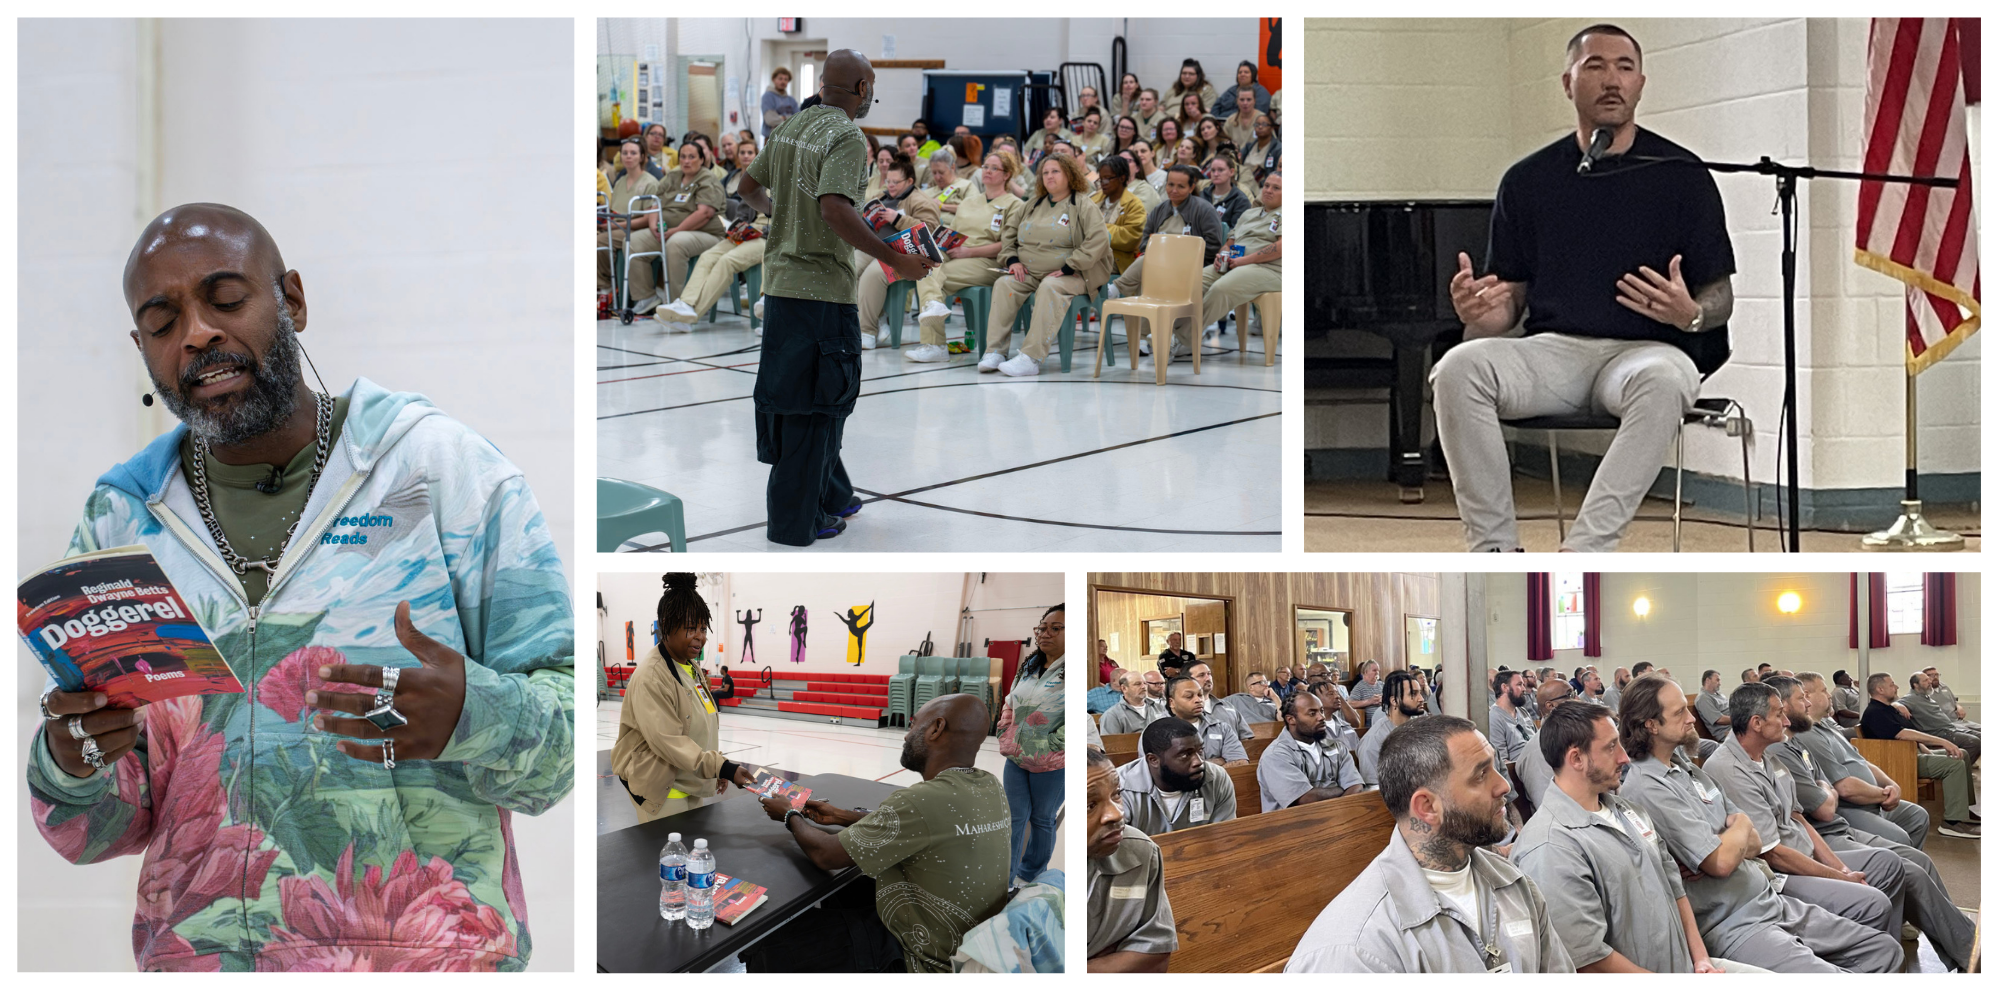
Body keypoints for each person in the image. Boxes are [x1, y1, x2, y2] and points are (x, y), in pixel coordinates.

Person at [29, 204, 574, 970]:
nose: (197, 334)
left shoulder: (441, 473)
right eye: (162, 320)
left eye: (225, 299)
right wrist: (71, 760)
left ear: (292, 300)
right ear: (143, 349)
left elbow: (567, 745)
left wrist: (472, 712)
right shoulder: (122, 521)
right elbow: (103, 830)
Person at [1432, 25, 1736, 552]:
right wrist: (1478, 313)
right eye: (1595, 66)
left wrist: (1688, 313)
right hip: (1555, 352)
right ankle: (1495, 550)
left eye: (1623, 67)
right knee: (1457, 368)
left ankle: (1584, 552)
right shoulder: (1527, 181)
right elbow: (1507, 306)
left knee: (1663, 382)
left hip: (1648, 353)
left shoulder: (1682, 174)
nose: (1611, 80)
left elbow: (1719, 297)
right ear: (1568, 83)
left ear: (1640, 83)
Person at [737, 49, 934, 546]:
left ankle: (836, 495)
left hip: (780, 287)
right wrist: (895, 258)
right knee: (820, 406)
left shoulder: (790, 128)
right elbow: (835, 211)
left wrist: (781, 214)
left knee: (795, 401)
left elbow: (746, 187)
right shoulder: (848, 136)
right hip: (822, 294)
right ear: (863, 88)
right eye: (872, 86)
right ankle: (795, 522)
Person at [1614, 675, 1902, 972]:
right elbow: (1722, 861)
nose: (1691, 718)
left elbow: (1753, 840)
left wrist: (1733, 830)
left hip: (1764, 896)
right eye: (1679, 713)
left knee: (1884, 950)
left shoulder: (1686, 768)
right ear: (1651, 724)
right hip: (1733, 921)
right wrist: (1736, 830)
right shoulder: (1648, 786)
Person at [1287, 716, 1571, 972]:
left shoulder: (1514, 884)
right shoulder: (1357, 951)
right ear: (1427, 807)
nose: (1503, 787)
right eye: (1481, 775)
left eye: (1495, 768)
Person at [755, 693, 1009, 972]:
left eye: (914, 725)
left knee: (770, 942)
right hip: (963, 943)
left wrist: (789, 814)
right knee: (846, 892)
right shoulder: (990, 786)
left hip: (922, 956)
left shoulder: (922, 800)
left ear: (936, 728)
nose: (906, 735)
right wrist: (842, 815)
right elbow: (929, 829)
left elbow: (825, 855)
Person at [1764, 677, 1976, 969]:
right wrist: (1838, 868)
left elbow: (1825, 790)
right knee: (1904, 866)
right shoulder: (1778, 750)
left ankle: (1960, 941)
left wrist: (1885, 786)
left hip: (1829, 827)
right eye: (1804, 698)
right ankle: (1966, 949)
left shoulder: (1798, 740)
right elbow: (1824, 805)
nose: (1812, 702)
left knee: (1915, 860)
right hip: (1826, 830)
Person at [1511, 702, 1739, 973]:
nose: (1624, 757)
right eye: (1610, 747)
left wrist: (1701, 958)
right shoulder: (1551, 845)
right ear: (1576, 759)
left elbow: (1674, 886)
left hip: (1686, 966)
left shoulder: (1627, 810)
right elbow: (1587, 959)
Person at [1701, 683, 1905, 939]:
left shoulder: (1767, 757)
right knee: (1873, 903)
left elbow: (1799, 819)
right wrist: (1840, 878)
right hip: (1780, 872)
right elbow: (1773, 855)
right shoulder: (1729, 769)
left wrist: (1841, 869)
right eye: (1779, 714)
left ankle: (1875, 945)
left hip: (1802, 853)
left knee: (1889, 865)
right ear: (1756, 723)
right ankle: (1870, 952)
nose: (1787, 721)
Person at [613, 574, 761, 820]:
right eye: (690, 628)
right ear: (667, 626)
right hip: (664, 791)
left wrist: (716, 770)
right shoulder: (652, 675)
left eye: (703, 628)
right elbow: (669, 740)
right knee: (671, 856)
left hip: (692, 781)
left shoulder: (689, 666)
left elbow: (698, 723)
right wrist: (722, 767)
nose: (700, 636)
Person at [981, 152, 1111, 377]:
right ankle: (995, 351)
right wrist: (1012, 260)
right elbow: (1009, 235)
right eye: (1045, 173)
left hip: (1075, 274)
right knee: (1004, 284)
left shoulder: (1083, 204)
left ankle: (1031, 358)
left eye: (1055, 172)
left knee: (1050, 286)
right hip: (1031, 272)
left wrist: (1071, 266)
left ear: (1069, 175)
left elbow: (1098, 240)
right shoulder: (1032, 204)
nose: (1049, 177)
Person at [1788, 672, 1950, 844]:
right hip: (1850, 807)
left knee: (1917, 816)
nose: (1829, 695)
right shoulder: (1808, 735)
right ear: (1807, 696)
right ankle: (1902, 863)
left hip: (1872, 799)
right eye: (1824, 690)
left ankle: (1908, 864)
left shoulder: (1827, 725)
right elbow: (1845, 788)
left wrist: (1892, 784)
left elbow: (1861, 760)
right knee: (1898, 837)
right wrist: (1884, 794)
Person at [904, 150, 1025, 364]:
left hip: (988, 261)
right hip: (957, 254)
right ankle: (934, 316)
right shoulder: (970, 202)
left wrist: (969, 252)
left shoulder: (1014, 204)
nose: (987, 171)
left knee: (931, 277)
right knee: (924, 264)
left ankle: (935, 345)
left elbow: (1009, 244)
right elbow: (956, 231)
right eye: (985, 166)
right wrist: (941, 242)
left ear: (1006, 175)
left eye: (993, 168)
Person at [1115, 165, 1228, 359]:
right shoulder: (1160, 209)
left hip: (1192, 267)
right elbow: (1144, 243)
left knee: (1150, 261)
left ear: (1192, 187)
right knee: (1149, 261)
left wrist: (1178, 252)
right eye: (1170, 185)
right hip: (1159, 266)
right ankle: (1142, 336)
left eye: (1180, 186)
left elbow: (1213, 245)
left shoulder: (1204, 209)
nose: (1174, 190)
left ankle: (1118, 288)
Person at [658, 143, 769, 332]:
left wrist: (758, 231)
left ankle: (691, 316)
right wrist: (739, 226)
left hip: (768, 237)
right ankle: (685, 304)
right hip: (747, 232)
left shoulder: (788, 183)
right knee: (708, 256)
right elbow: (742, 212)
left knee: (727, 261)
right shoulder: (755, 179)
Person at [1087, 746, 1178, 972]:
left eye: (1116, 793)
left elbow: (1155, 957)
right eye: (1090, 805)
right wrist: (1119, 954)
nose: (1117, 813)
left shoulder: (1139, 850)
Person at [998, 603, 1065, 884]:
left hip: (1051, 763)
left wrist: (1049, 744)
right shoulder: (1030, 665)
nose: (1045, 634)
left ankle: (1031, 872)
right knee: (1013, 817)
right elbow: (1010, 699)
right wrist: (1006, 727)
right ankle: (1006, 876)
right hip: (1016, 756)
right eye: (1042, 628)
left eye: (1056, 628)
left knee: (1041, 819)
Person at [627, 140, 729, 317]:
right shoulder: (673, 177)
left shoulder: (707, 179)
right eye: (683, 157)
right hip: (667, 231)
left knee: (676, 243)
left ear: (702, 159)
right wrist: (654, 227)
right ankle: (646, 297)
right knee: (634, 241)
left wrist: (674, 231)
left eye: (692, 157)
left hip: (707, 234)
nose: (686, 161)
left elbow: (704, 213)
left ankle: (678, 303)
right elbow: (654, 202)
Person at [1117, 717, 1238, 833]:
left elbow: (1224, 835)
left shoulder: (1216, 777)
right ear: (1153, 760)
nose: (1199, 762)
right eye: (1185, 755)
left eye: (1200, 750)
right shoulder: (1118, 789)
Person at [1258, 689, 1363, 811]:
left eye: (1321, 711)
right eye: (1312, 713)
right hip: (1292, 825)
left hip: (1338, 817)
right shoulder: (1275, 755)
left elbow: (1356, 786)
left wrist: (1337, 811)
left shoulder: (1337, 747)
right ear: (1291, 719)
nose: (1321, 717)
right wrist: (1341, 788)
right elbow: (1305, 799)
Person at [598, 137, 660, 303]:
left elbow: (648, 220)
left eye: (633, 153)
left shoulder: (650, 183)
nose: (628, 156)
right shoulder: (620, 182)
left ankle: (606, 286)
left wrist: (615, 225)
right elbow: (615, 211)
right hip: (618, 226)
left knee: (600, 240)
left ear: (642, 156)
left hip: (636, 230)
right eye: (624, 153)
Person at [1357, 669, 1429, 785]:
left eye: (1419, 693)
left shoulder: (1419, 727)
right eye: (1413, 694)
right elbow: (1374, 787)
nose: (1421, 699)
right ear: (1394, 701)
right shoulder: (1374, 741)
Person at [1901, 671, 1981, 760]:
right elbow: (1893, 704)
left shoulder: (1925, 696)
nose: (1930, 682)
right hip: (1938, 733)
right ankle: (1958, 769)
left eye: (1929, 680)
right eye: (1925, 680)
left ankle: (1965, 769)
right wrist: (1898, 705)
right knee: (1974, 742)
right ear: (1915, 685)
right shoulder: (1911, 698)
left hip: (1950, 728)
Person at [1166, 675, 1246, 764]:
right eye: (1189, 696)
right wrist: (1220, 761)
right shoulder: (1164, 732)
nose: (1198, 700)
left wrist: (1199, 765)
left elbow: (1240, 762)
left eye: (1200, 695)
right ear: (1172, 702)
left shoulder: (1222, 728)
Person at [1091, 153, 1148, 275]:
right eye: (1100, 179)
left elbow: (1130, 238)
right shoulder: (1093, 199)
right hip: (1090, 252)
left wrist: (1096, 227)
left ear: (1122, 178)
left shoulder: (1134, 205)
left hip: (1116, 259)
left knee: (1087, 267)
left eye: (1107, 179)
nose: (1102, 183)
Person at [1188, 661, 1253, 741]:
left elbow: (1246, 737)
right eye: (1201, 675)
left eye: (1209, 674)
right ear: (1188, 681)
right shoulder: (1184, 710)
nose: (1208, 678)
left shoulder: (1227, 706)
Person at [1488, 669, 1536, 768]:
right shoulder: (1494, 717)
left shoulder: (1522, 711)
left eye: (1523, 684)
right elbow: (1502, 761)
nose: (1524, 689)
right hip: (1522, 768)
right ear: (1505, 687)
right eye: (1519, 684)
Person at [1100, 668, 1165, 735]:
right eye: (1137, 684)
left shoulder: (1160, 708)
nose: (1143, 687)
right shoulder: (1112, 715)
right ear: (1124, 688)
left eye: (1145, 683)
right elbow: (1110, 743)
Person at [1309, 679, 1364, 753]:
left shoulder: (1346, 726)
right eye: (1330, 694)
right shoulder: (1311, 729)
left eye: (1337, 693)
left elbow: (1359, 752)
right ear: (1316, 699)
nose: (1337, 696)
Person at [1200, 153, 1251, 229]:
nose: (1216, 174)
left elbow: (1236, 231)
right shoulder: (1203, 194)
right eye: (1213, 170)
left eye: (1220, 170)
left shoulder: (1240, 200)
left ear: (1231, 172)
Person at [1167, 59, 1219, 124]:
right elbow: (1161, 107)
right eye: (1184, 73)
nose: (1187, 76)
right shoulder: (1174, 89)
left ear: (1198, 76)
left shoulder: (1207, 90)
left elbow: (1207, 112)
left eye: (1191, 74)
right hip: (1166, 122)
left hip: (1189, 123)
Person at [761, 65, 799, 138]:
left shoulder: (791, 100)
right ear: (773, 79)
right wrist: (789, 118)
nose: (783, 81)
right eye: (780, 78)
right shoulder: (768, 97)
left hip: (789, 138)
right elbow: (771, 120)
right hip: (771, 138)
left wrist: (782, 118)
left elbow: (798, 119)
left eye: (786, 79)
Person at [1694, 669, 1730, 733]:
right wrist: (1741, 719)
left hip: (1735, 726)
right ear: (1708, 680)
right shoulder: (1703, 698)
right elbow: (1719, 719)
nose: (1720, 683)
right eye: (1717, 680)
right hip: (1727, 731)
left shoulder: (1719, 694)